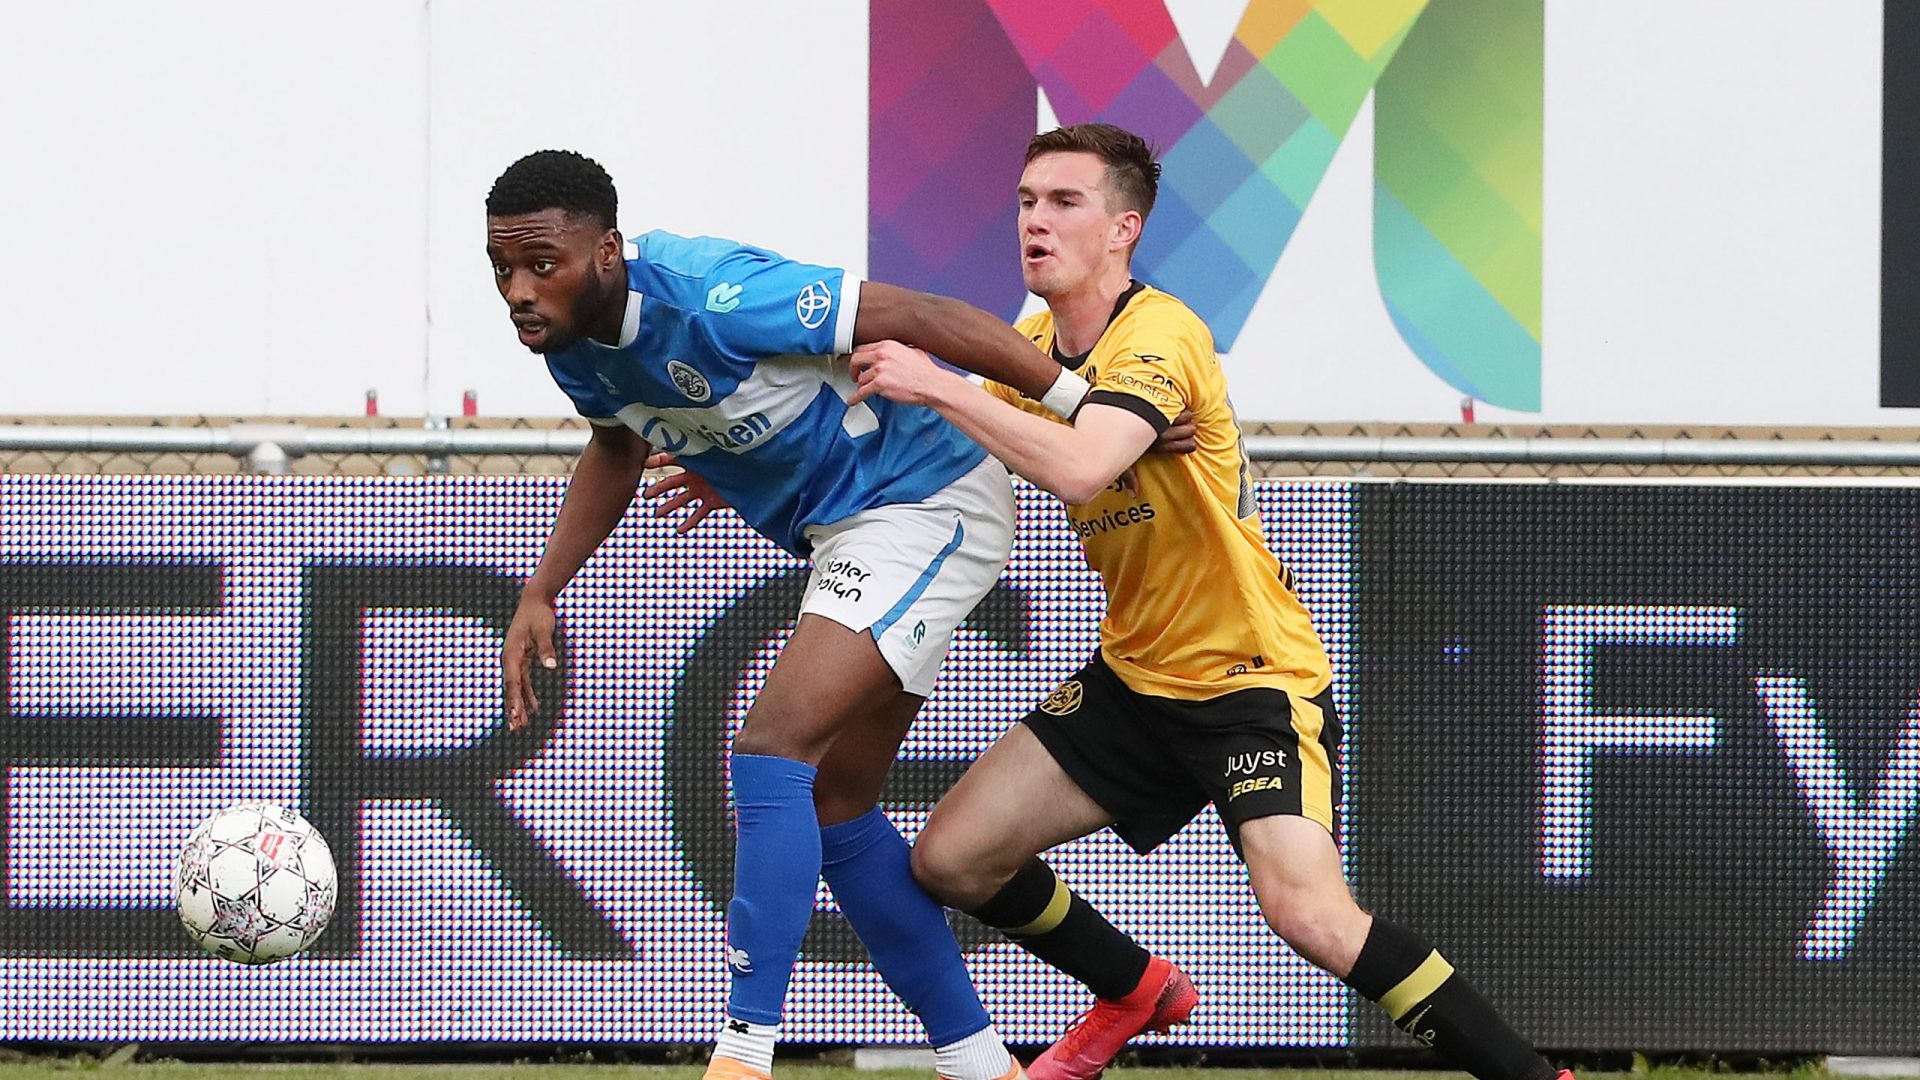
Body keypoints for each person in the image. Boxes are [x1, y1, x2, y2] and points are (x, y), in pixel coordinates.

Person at [847, 124, 1572, 1080]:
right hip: (1137, 679)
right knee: (952, 860)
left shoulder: (1162, 333)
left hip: (1248, 678)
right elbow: (919, 456)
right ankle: (1134, 988)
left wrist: (940, 384)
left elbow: (1079, 464)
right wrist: (744, 470)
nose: (1035, 221)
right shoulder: (1025, 354)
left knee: (1310, 917)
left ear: (1123, 230)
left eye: (1065, 203)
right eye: (1026, 201)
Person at [485, 149, 1097, 1080]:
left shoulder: (711, 293)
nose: (520, 290)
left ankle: (743, 1053)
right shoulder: (572, 343)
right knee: (838, 805)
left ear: (607, 251)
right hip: (850, 528)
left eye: (542, 264)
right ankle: (982, 1065)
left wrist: (1078, 404)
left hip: (924, 498)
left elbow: (926, 318)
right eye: (502, 269)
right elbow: (614, 445)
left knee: (772, 751)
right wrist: (542, 589)